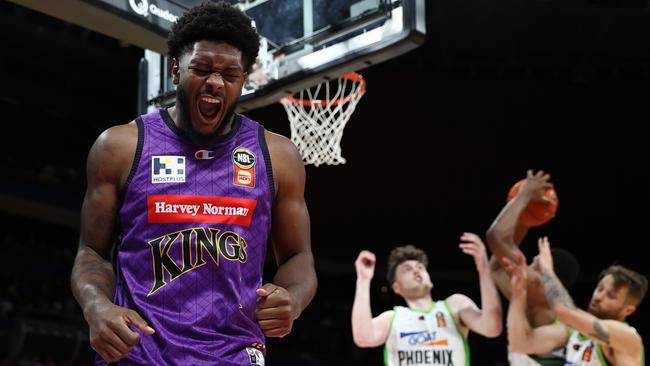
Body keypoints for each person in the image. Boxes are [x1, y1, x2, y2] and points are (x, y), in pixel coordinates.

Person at [70, 2, 317, 365]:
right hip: (139, 354)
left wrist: (292, 298)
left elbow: (299, 256)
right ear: (175, 70)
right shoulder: (120, 147)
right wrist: (96, 306)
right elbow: (90, 253)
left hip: (234, 354)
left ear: (243, 80)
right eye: (201, 69)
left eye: (230, 74)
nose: (215, 82)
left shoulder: (277, 156)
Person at [351, 233, 503, 365]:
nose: (416, 270)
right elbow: (363, 338)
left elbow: (492, 328)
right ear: (397, 288)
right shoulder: (393, 318)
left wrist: (484, 269)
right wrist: (363, 280)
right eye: (407, 269)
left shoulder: (455, 306)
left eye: (420, 267)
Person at [486, 169, 580, 365]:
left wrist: (523, 197)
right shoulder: (539, 296)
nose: (527, 265)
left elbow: (495, 237)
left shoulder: (540, 289)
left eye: (535, 261)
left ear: (546, 269)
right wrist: (525, 219)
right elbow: (495, 268)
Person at [503, 238, 647, 365]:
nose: (598, 297)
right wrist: (519, 294)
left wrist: (547, 270)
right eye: (600, 288)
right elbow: (519, 344)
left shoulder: (627, 338)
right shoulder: (573, 333)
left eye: (611, 296)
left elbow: (563, 312)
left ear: (628, 310)